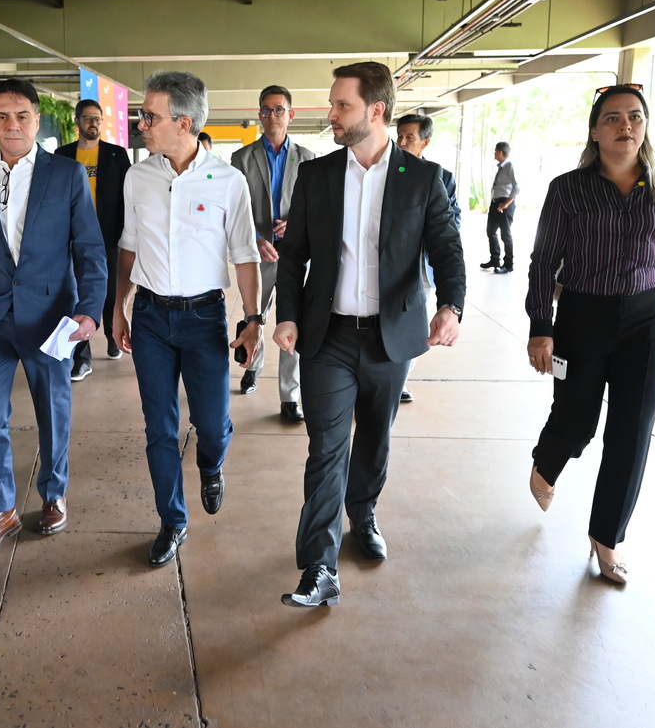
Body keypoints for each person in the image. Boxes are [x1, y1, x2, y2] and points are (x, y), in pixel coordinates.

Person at [272, 62, 465, 607]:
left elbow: (447, 250)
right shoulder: (317, 176)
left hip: (391, 337)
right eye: (333, 104)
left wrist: (451, 306)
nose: (331, 114)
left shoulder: (423, 179)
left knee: (375, 440)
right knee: (326, 449)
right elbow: (294, 255)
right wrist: (287, 315)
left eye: (343, 105)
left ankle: (363, 512)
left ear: (376, 110)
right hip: (328, 336)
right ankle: (319, 567)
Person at [525, 83, 655, 585]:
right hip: (581, 319)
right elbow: (544, 262)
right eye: (612, 118)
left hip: (645, 322)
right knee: (576, 420)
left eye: (635, 116)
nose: (625, 126)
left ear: (645, 127)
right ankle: (547, 461)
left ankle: (607, 538)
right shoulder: (568, 189)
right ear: (595, 132)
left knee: (631, 432)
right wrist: (541, 327)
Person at [112, 71, 261, 568]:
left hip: (204, 319)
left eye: (149, 117)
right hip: (151, 317)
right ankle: (172, 521)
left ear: (183, 123)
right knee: (159, 427)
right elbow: (128, 246)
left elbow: (245, 255)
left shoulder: (228, 182)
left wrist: (254, 319)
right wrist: (118, 307)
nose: (141, 124)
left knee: (212, 425)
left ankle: (211, 465)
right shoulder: (138, 177)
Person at [0, 79, 107, 556]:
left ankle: (54, 493)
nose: (12, 125)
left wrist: (89, 311)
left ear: (37, 120)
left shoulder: (66, 175)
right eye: (1, 116)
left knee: (52, 411)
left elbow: (89, 248)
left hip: (49, 318)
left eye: (22, 116)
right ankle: (0, 510)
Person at [230, 84, 316, 421]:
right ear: (259, 114)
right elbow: (235, 209)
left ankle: (289, 398)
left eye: (279, 109)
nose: (272, 115)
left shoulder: (308, 160)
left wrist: (295, 224)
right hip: (258, 253)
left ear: (291, 115)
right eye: (266, 109)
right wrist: (254, 238)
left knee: (293, 321)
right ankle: (252, 368)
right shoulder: (242, 158)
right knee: (255, 316)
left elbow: (317, 209)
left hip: (296, 255)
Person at [55, 98, 131, 379]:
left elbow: (127, 198)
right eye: (87, 118)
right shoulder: (63, 155)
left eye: (97, 118)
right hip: (72, 239)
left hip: (108, 237)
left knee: (110, 293)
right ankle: (81, 357)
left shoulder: (116, 155)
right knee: (77, 295)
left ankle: (112, 336)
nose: (93, 123)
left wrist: (126, 234)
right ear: (77, 121)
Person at [395, 113, 461, 403]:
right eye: (399, 136)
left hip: (425, 267)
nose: (401, 142)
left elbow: (453, 223)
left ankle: (400, 380)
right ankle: (388, 380)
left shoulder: (441, 177)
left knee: (415, 327)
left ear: (425, 142)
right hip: (396, 263)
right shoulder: (390, 172)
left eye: (409, 137)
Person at [482, 140, 518, 273]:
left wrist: (505, 204)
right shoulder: (501, 167)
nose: (494, 153)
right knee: (490, 231)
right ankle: (495, 260)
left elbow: (517, 187)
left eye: (495, 151)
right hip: (496, 203)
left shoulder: (510, 166)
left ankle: (508, 264)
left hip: (505, 204)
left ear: (500, 152)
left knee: (505, 235)